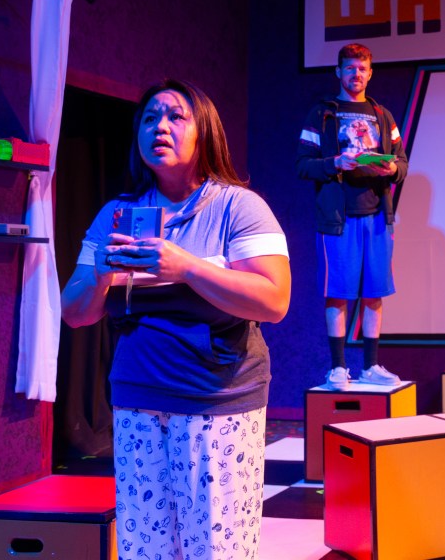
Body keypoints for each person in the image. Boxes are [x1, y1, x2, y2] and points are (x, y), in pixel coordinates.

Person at [61, 80, 291, 559]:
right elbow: (75, 314)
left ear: (204, 131)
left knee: (217, 548)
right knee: (147, 548)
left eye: (174, 116)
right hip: (137, 398)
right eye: (149, 118)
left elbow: (274, 301)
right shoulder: (117, 215)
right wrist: (100, 274)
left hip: (218, 401)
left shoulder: (238, 206)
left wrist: (186, 268)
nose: (159, 127)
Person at [297, 43, 408, 389]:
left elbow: (402, 162)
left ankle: (370, 367)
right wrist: (335, 163)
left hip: (377, 216)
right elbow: (303, 165)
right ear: (338, 72)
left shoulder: (383, 115)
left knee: (374, 292)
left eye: (361, 69)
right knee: (338, 292)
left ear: (370, 73)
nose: (355, 74)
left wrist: (391, 169)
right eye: (349, 68)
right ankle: (338, 368)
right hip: (338, 218)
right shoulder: (322, 114)